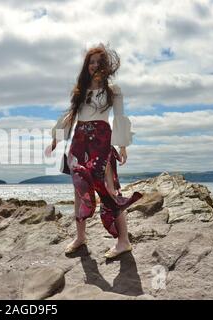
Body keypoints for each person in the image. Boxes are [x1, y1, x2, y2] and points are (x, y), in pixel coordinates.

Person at [47, 43, 143, 259]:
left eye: (100, 62)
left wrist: (123, 146)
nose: (95, 65)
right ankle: (80, 238)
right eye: (92, 62)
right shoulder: (79, 90)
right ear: (86, 65)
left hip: (101, 141)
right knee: (79, 191)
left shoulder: (113, 91)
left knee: (110, 190)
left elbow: (119, 117)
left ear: (106, 66)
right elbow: (70, 116)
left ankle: (124, 241)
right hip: (79, 142)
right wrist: (56, 141)